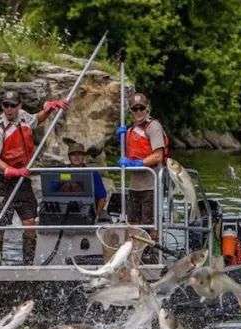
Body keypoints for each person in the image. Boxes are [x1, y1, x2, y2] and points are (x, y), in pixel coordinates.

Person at [0, 90, 68, 264]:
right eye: (5, 105)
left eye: (13, 105)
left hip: (22, 180)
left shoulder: (23, 117)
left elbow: (36, 120)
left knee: (30, 223)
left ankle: (28, 264)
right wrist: (9, 170)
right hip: (3, 181)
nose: (9, 109)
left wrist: (49, 110)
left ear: (19, 106)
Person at [116, 92, 169, 239]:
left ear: (147, 108)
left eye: (141, 108)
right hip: (135, 187)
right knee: (133, 225)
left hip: (151, 186)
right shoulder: (130, 130)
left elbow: (158, 156)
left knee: (149, 227)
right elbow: (129, 152)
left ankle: (151, 256)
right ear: (131, 111)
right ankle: (134, 255)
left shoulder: (153, 127)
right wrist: (121, 140)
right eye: (135, 109)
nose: (138, 112)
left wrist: (137, 163)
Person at [67, 142, 108, 221]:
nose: (76, 157)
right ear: (69, 157)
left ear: (84, 156)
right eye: (73, 154)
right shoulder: (60, 171)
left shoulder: (92, 173)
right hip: (65, 207)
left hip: (87, 210)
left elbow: (102, 197)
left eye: (80, 154)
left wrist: (96, 216)